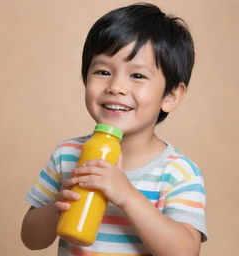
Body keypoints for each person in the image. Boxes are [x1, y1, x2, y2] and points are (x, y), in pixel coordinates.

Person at [21, 3, 208, 256]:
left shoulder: (177, 172)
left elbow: (185, 252)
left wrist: (126, 195)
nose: (116, 86)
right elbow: (31, 239)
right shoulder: (67, 155)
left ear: (171, 95)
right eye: (103, 71)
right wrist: (57, 206)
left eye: (138, 76)